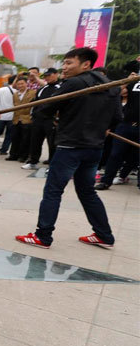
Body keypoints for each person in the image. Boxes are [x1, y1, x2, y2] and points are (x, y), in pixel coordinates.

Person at [15, 48, 121, 250]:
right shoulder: (111, 86)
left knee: (53, 191)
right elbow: (117, 118)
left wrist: (59, 119)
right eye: (64, 63)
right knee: (87, 191)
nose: (64, 68)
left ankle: (43, 236)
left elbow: (45, 109)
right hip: (95, 147)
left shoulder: (74, 83)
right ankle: (104, 235)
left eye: (69, 63)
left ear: (86, 64)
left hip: (70, 146)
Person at [95, 59, 139, 189]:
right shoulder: (134, 80)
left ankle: (126, 177)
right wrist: (127, 80)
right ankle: (106, 181)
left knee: (135, 157)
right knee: (115, 154)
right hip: (125, 124)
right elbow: (117, 93)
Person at [23, 68, 60, 170]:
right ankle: (33, 162)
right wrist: (33, 114)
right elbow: (35, 102)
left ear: (56, 74)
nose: (47, 77)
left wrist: (57, 118)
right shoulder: (42, 88)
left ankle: (52, 165)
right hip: (37, 119)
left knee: (52, 143)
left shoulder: (60, 87)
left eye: (49, 75)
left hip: (51, 120)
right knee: (35, 141)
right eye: (46, 76)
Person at [5, 75, 36, 162]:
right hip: (16, 119)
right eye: (18, 84)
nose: (20, 86)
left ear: (27, 84)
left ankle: (23, 156)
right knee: (15, 138)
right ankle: (13, 155)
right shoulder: (15, 94)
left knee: (25, 139)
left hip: (26, 119)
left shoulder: (33, 93)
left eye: (22, 84)